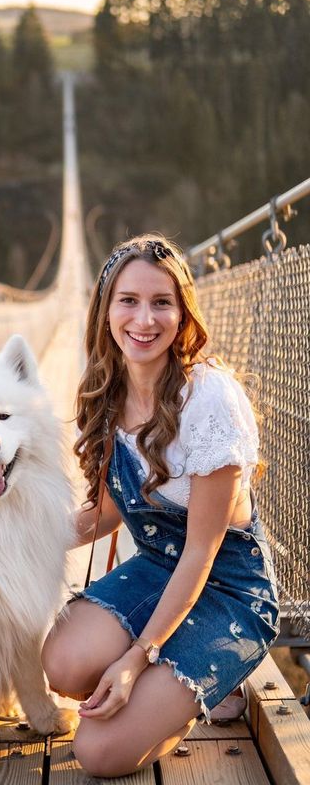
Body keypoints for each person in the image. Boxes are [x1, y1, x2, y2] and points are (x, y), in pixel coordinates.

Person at [42, 234, 279, 778]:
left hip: (226, 587)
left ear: (182, 315)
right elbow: (107, 512)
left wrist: (134, 660)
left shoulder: (209, 401)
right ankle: (179, 685)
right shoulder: (109, 390)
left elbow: (201, 553)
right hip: (157, 569)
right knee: (62, 661)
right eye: (128, 300)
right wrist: (2, 529)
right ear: (105, 313)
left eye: (161, 303)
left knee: (98, 753)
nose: (143, 319)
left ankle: (203, 683)